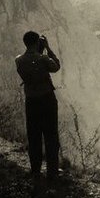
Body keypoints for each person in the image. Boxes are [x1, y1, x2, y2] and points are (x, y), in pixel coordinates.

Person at [15, 30, 62, 182]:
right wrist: (48, 48)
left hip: (31, 101)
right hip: (47, 100)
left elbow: (30, 62)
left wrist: (38, 50)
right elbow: (55, 67)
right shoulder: (43, 59)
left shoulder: (19, 60)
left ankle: (35, 169)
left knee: (34, 135)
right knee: (50, 135)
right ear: (37, 42)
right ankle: (52, 171)